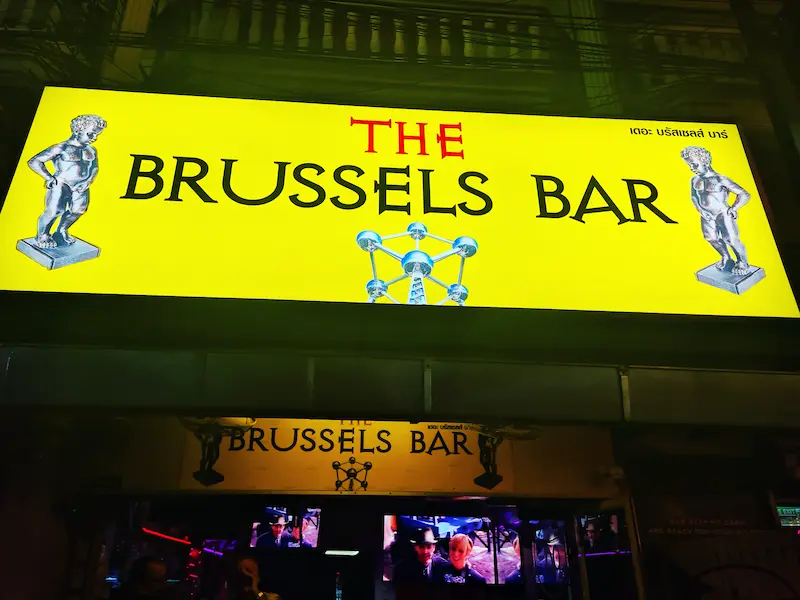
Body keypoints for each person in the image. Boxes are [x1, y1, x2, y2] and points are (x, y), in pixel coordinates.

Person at [27, 114, 106, 249]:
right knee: (55, 211)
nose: (94, 138)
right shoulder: (61, 147)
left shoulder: (91, 150)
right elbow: (34, 161)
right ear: (78, 131)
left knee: (78, 210)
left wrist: (88, 181)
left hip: (81, 185)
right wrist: (48, 177)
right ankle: (43, 234)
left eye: (96, 135)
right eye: (91, 134)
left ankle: (61, 230)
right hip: (61, 183)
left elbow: (95, 168)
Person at [681, 145, 753, 275]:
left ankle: (742, 262)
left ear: (705, 162)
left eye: (694, 165)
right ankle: (726, 257)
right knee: (711, 238)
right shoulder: (694, 180)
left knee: (731, 239)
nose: (692, 168)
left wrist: (734, 207)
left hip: (722, 212)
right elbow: (693, 197)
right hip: (706, 215)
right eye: (689, 165)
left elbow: (744, 194)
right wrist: (701, 211)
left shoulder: (720, 179)